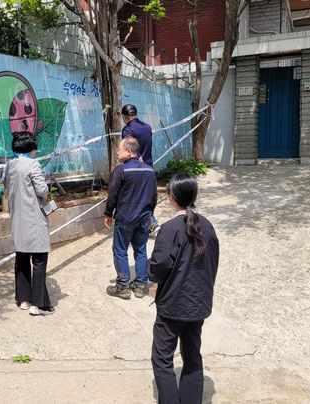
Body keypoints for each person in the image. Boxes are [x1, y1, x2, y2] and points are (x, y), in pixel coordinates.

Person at [148, 173, 219, 404]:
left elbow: (158, 267)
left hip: (172, 306)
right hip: (198, 304)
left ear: (171, 197)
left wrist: (150, 272)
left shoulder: (169, 229)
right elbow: (213, 264)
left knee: (162, 359)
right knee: (192, 357)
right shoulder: (207, 226)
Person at [3, 132, 55, 316]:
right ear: (29, 148)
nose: (35, 150)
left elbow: (5, 186)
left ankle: (23, 299)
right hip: (34, 218)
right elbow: (42, 190)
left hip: (17, 219)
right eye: (34, 147)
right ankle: (38, 304)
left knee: (22, 258)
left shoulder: (9, 165)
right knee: (39, 261)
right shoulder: (33, 165)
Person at [103, 137, 157, 299]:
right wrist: (150, 215)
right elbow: (153, 197)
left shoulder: (121, 170)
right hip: (143, 218)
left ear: (128, 151)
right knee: (140, 250)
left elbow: (112, 195)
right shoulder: (149, 170)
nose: (118, 153)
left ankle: (122, 286)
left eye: (119, 150)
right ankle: (141, 285)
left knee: (120, 250)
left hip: (125, 218)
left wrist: (108, 213)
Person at [121, 103, 159, 231]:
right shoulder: (147, 127)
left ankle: (148, 222)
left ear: (125, 117)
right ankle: (151, 221)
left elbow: (130, 150)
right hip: (148, 166)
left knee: (136, 197)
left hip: (136, 167)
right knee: (147, 195)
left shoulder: (127, 130)